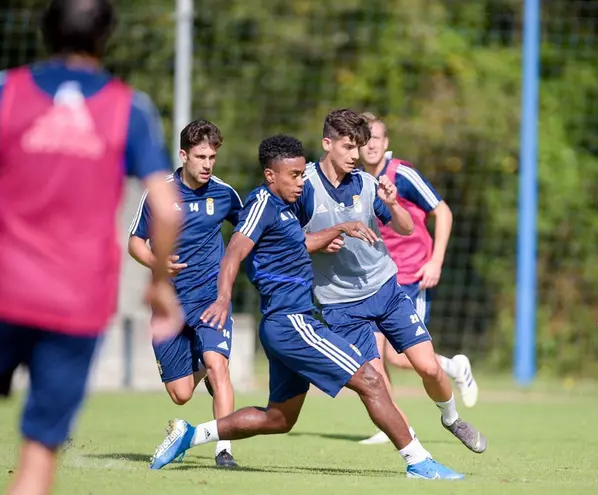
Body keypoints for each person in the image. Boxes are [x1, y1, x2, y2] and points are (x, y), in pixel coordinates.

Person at [148, 134, 464, 480]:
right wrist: (223, 297)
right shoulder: (262, 204)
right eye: (294, 176)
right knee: (371, 380)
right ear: (271, 176)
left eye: (302, 174)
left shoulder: (284, 210)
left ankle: (190, 435)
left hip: (286, 326)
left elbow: (300, 243)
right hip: (292, 322)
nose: (301, 182)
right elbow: (235, 251)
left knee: (279, 419)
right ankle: (418, 461)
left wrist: (339, 228)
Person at [0, 1, 183, 494]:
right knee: (38, 455)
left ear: (44, 32)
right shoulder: (130, 107)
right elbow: (167, 209)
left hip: (5, 287)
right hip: (74, 302)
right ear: (107, 38)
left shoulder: (7, 91)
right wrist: (160, 286)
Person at [295, 109, 487, 454]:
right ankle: (414, 452)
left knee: (427, 367)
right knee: (375, 383)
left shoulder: (369, 184)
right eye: (348, 148)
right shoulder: (303, 185)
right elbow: (287, 240)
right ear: (327, 144)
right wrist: (323, 239)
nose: (356, 156)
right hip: (340, 304)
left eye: (360, 147)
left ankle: (451, 419)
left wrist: (393, 204)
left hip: (385, 289)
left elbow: (406, 227)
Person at [355, 112, 478, 446]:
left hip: (412, 274)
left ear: (386, 142)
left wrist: (436, 261)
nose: (371, 144)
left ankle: (453, 367)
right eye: (365, 138)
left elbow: (443, 211)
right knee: (374, 355)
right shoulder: (355, 179)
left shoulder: (402, 173)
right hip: (377, 278)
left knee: (399, 356)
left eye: (377, 137)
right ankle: (396, 426)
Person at [128, 119, 242, 465]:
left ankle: (224, 451)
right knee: (180, 395)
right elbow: (135, 242)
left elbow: (249, 230)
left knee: (217, 364)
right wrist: (157, 264)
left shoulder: (224, 194)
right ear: (183, 155)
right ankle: (205, 366)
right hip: (170, 306)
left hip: (211, 300)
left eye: (212, 157)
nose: (208, 164)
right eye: (201, 156)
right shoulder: (160, 193)